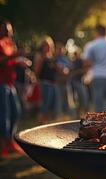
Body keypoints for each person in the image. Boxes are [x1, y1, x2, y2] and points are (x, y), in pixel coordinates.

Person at [0, 19, 29, 157]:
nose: (8, 32)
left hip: (10, 83)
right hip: (1, 83)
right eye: (6, 29)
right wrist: (14, 56)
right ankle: (3, 145)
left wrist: (18, 61)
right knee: (3, 115)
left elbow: (10, 60)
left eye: (9, 30)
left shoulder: (8, 43)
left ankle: (10, 141)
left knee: (15, 112)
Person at [34, 37, 61, 123]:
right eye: (46, 45)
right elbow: (36, 71)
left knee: (50, 107)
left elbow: (57, 71)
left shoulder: (52, 58)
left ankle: (46, 124)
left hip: (53, 84)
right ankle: (40, 124)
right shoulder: (39, 55)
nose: (48, 47)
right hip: (44, 84)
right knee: (44, 107)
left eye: (49, 45)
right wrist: (42, 60)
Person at [55, 42, 75, 116]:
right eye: (58, 49)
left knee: (68, 100)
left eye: (61, 49)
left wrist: (66, 70)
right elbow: (57, 69)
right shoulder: (54, 58)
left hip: (66, 82)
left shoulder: (66, 59)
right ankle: (58, 115)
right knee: (58, 101)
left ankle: (69, 115)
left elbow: (70, 69)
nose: (60, 50)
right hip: (58, 82)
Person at [71, 49, 89, 116]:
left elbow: (84, 70)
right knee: (79, 99)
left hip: (80, 82)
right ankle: (79, 114)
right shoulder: (75, 61)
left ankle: (83, 114)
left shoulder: (80, 61)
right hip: (76, 82)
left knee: (82, 99)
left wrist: (76, 72)